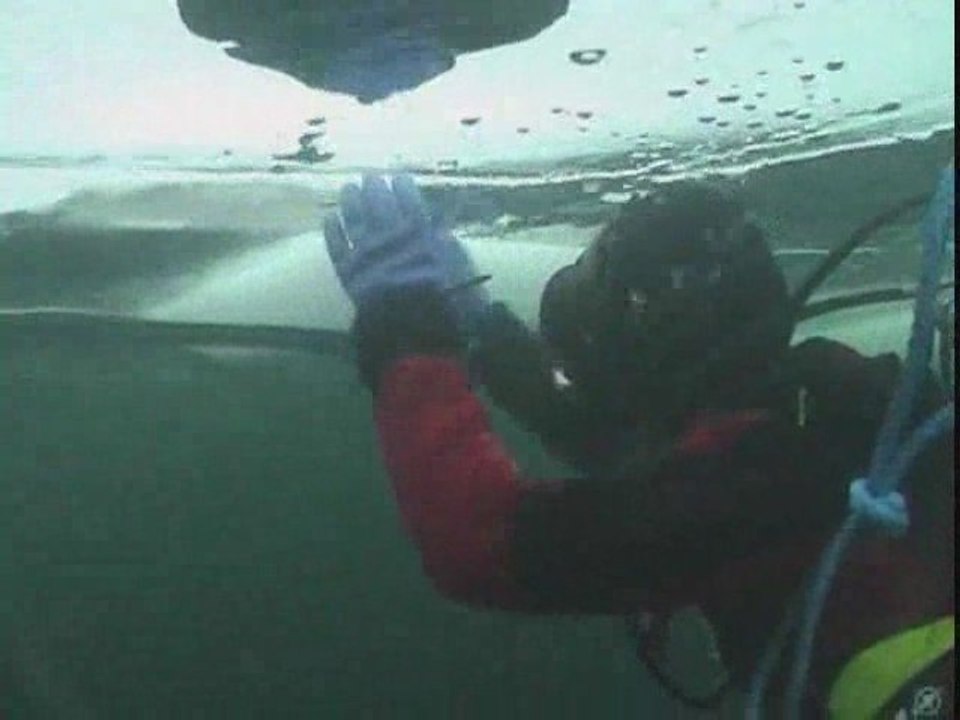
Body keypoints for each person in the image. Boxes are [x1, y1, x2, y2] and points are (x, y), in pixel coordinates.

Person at [322, 174, 954, 717]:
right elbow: (643, 464)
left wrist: (406, 332)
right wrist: (484, 328)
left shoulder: (743, 489)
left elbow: (479, 540)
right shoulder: (819, 405)